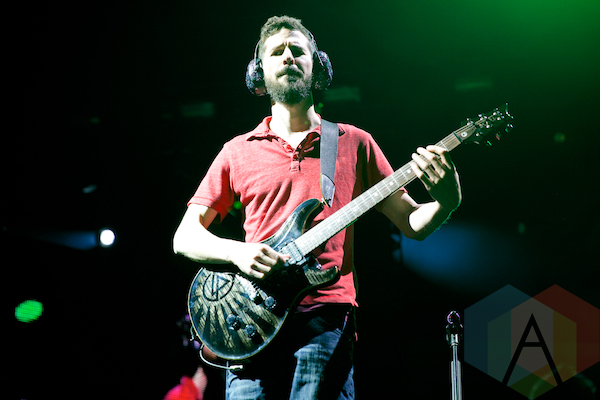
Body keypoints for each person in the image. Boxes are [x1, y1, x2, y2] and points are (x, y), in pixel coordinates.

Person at [173, 15, 462, 400]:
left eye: (297, 50)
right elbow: (185, 237)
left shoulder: (354, 142)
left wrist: (447, 200)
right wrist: (238, 253)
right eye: (276, 52)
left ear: (318, 65)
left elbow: (411, 221)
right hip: (251, 324)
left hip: (324, 322)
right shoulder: (236, 151)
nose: (288, 57)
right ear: (259, 72)